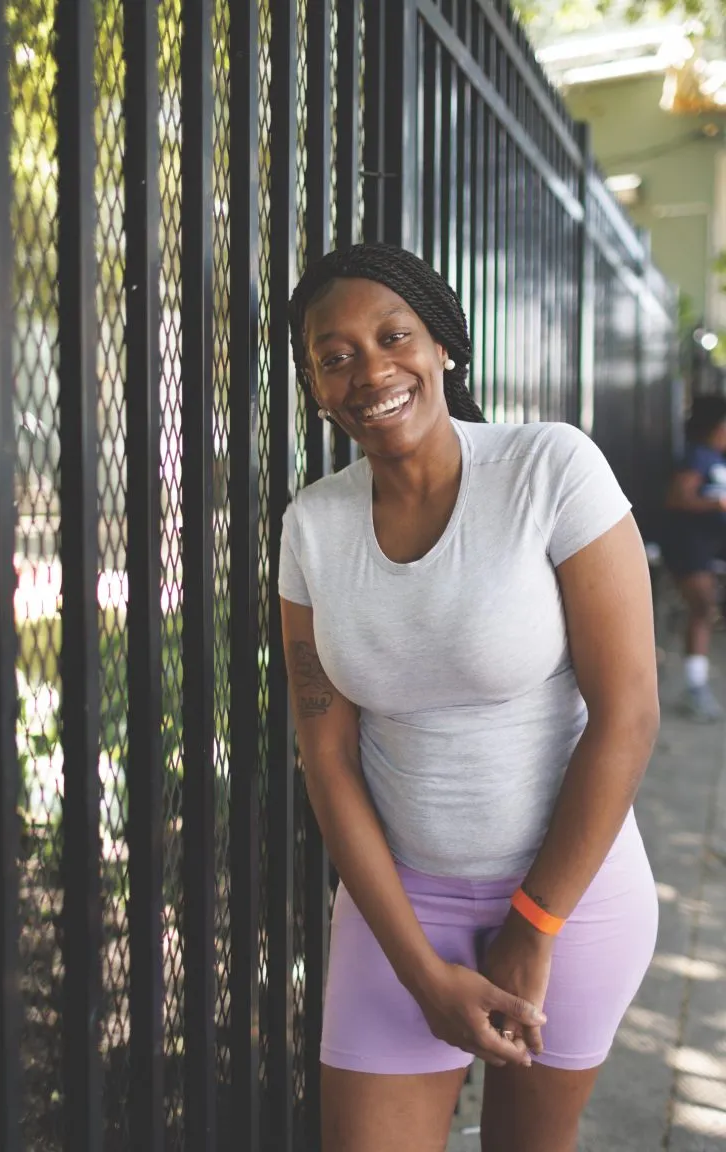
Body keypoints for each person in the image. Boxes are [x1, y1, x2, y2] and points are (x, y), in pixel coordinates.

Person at [279, 243, 659, 1152]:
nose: (371, 371)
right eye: (335, 357)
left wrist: (535, 925)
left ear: (442, 344)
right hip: (401, 907)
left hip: (572, 897)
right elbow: (327, 758)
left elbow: (629, 713)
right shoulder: (312, 528)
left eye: (393, 337)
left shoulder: (550, 469)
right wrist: (420, 971)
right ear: (318, 390)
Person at [662, 394, 726, 721]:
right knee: (702, 606)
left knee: (702, 608)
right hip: (689, 546)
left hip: (707, 546)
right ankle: (695, 687)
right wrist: (716, 505)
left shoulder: (716, 457)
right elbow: (678, 497)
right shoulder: (697, 456)